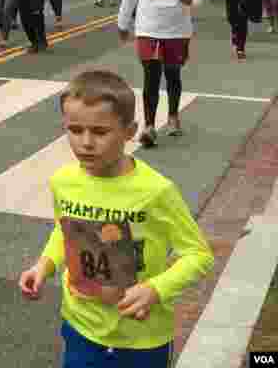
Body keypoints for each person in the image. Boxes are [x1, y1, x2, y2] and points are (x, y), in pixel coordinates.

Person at [19, 69, 214, 368]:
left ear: (129, 130)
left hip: (141, 339)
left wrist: (155, 289)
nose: (85, 142)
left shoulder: (156, 191)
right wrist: (44, 265)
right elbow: (66, 231)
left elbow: (199, 255)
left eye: (100, 132)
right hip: (81, 327)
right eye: (74, 129)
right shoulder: (63, 181)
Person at [118, 0, 204, 144]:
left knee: (173, 74)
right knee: (151, 76)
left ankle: (173, 115)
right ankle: (149, 126)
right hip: (148, 28)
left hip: (177, 30)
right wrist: (123, 23)